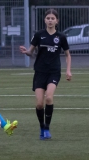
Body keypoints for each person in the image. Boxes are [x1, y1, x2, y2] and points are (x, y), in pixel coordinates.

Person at [19, 9, 72, 140]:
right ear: (45, 20)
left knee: (49, 98)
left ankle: (47, 128)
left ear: (57, 21)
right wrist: (26, 51)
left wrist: (68, 70)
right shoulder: (38, 35)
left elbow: (67, 55)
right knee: (39, 104)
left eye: (52, 18)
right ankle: (42, 126)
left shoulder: (61, 37)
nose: (50, 20)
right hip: (40, 72)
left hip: (54, 72)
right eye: (48, 18)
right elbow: (31, 52)